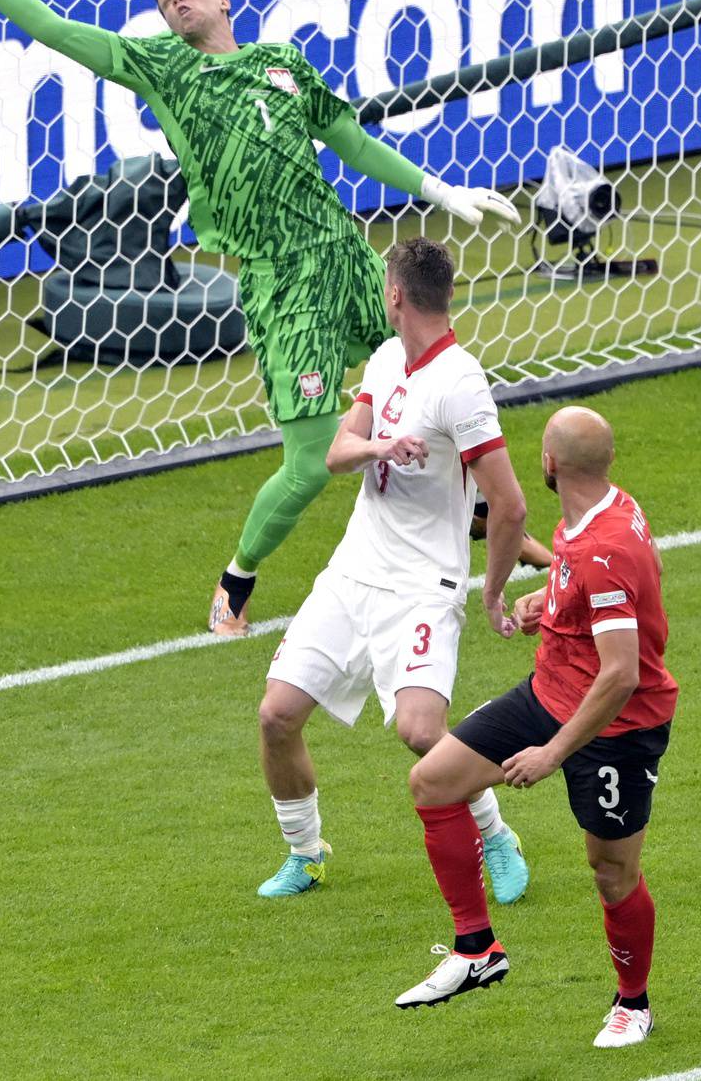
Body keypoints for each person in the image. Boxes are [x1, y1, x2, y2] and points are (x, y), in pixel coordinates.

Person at [0, 0, 519, 635]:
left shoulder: (281, 64)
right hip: (281, 284)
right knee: (315, 461)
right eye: (165, 1)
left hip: (345, 253)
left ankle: (479, 510)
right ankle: (235, 584)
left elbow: (349, 140)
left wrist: (438, 189)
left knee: (437, 375)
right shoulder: (165, 66)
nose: (175, 1)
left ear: (224, 0)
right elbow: (67, 35)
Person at [253, 237, 531, 905]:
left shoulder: (460, 384)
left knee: (421, 731)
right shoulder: (385, 358)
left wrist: (490, 590)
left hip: (423, 586)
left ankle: (495, 834)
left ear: (396, 295)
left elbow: (511, 505)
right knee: (276, 715)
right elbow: (339, 452)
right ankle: (306, 852)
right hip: (354, 572)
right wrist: (382, 442)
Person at [393, 404, 676, 1051]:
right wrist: (548, 605)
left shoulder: (606, 545)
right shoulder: (597, 509)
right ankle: (476, 948)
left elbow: (621, 673)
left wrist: (550, 752)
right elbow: (590, 592)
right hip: (550, 690)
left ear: (550, 463)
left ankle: (633, 1003)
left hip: (616, 727)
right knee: (434, 781)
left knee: (611, 871)